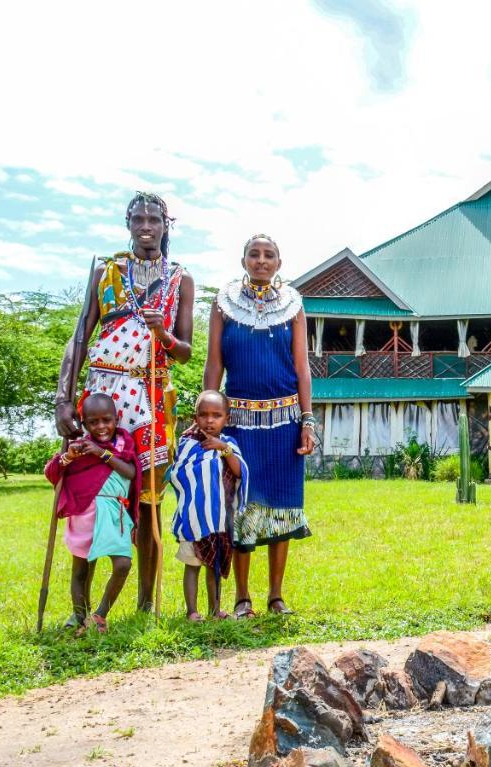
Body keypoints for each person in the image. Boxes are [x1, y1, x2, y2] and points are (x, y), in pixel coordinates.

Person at [54, 192, 195, 612]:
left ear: (167, 225)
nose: (146, 226)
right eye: (139, 219)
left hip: (151, 394)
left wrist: (163, 334)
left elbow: (185, 350)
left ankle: (145, 604)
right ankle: (81, 610)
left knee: (149, 497)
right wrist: (63, 399)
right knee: (94, 492)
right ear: (128, 223)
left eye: (155, 219)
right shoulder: (106, 271)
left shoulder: (180, 279)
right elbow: (79, 338)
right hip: (102, 396)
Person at [204, 235, 316, 618]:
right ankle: (241, 597)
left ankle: (276, 596)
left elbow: (302, 368)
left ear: (279, 262)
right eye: (255, 254)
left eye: (269, 255)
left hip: (284, 423)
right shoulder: (224, 305)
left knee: (282, 508)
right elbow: (214, 364)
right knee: (242, 510)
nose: (262, 261)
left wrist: (307, 420)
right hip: (238, 425)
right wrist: (208, 415)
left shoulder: (294, 306)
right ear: (243, 259)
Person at [43, 394, 139, 634]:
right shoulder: (80, 447)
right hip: (85, 513)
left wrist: (101, 453)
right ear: (84, 424)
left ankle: (100, 614)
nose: (101, 427)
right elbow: (52, 471)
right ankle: (79, 616)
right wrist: (69, 457)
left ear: (116, 419)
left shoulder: (122, 444)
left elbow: (130, 472)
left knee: (123, 564)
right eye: (93, 422)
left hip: (113, 513)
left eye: (106, 420)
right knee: (81, 570)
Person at [170, 390, 248, 622]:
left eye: (216, 415)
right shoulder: (187, 444)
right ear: (195, 418)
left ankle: (215, 609)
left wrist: (221, 448)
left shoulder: (229, 444)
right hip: (194, 517)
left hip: (220, 520)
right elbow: (179, 473)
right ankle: (192, 611)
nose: (210, 420)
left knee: (214, 567)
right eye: (203, 415)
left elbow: (238, 470)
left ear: (227, 418)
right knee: (192, 564)